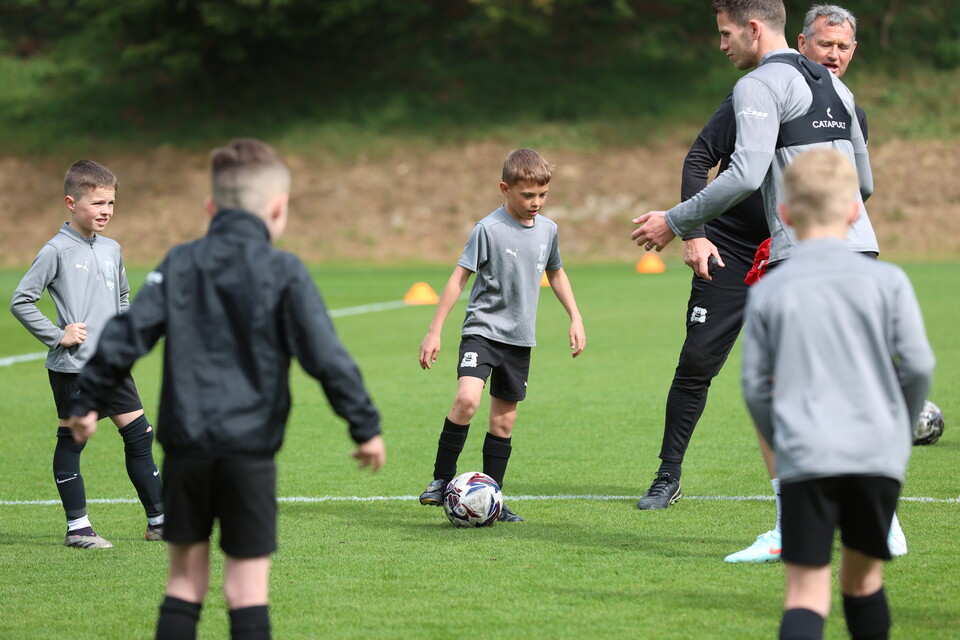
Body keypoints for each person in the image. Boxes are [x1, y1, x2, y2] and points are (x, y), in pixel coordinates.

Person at [66, 138, 386, 640]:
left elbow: (127, 334)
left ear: (211, 207)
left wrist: (86, 401)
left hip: (187, 452)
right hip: (249, 457)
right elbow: (326, 357)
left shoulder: (180, 262)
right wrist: (365, 427)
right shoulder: (285, 271)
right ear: (278, 209)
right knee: (246, 590)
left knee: (185, 585)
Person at [740, 148, 934, 640]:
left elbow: (756, 387)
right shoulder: (888, 280)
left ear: (783, 214)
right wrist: (896, 432)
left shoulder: (769, 291)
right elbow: (917, 365)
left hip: (807, 455)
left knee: (806, 592)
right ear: (854, 211)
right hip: (876, 455)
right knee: (864, 581)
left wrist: (783, 441)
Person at [417, 148, 586, 522]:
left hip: (520, 339)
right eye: (527, 195)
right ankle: (440, 479)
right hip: (482, 331)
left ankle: (492, 498)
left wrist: (574, 316)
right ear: (505, 189)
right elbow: (459, 277)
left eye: (542, 195)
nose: (536, 203)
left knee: (503, 422)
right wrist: (434, 330)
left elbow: (556, 272)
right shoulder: (487, 229)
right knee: (466, 400)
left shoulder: (549, 230)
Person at [10, 159, 165, 549]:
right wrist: (57, 334)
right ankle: (78, 529)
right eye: (97, 203)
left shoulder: (112, 249)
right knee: (73, 440)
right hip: (74, 367)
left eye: (111, 203)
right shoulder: (55, 251)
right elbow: (22, 301)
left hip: (111, 364)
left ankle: (160, 522)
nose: (106, 212)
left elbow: (124, 296)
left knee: (140, 436)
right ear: (70, 202)